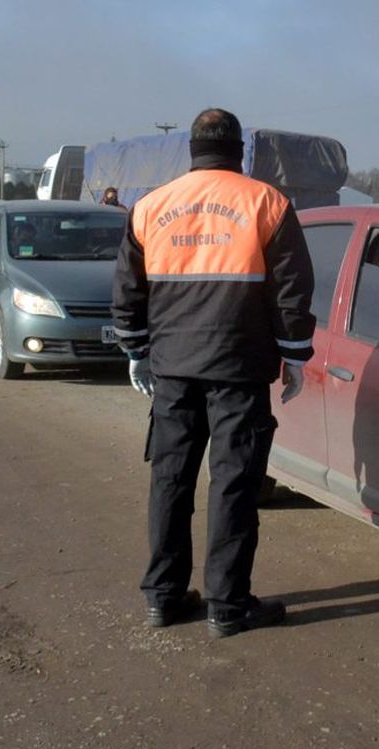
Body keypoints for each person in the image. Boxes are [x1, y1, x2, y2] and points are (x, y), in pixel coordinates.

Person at [112, 107, 315, 639]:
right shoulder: (267, 202)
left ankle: (164, 597)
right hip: (239, 369)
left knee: (170, 481)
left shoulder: (150, 207)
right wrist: (295, 356)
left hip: (172, 370)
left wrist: (136, 350)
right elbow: (292, 290)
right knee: (233, 484)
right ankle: (228, 606)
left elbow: (128, 291)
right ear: (238, 149)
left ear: (192, 149)